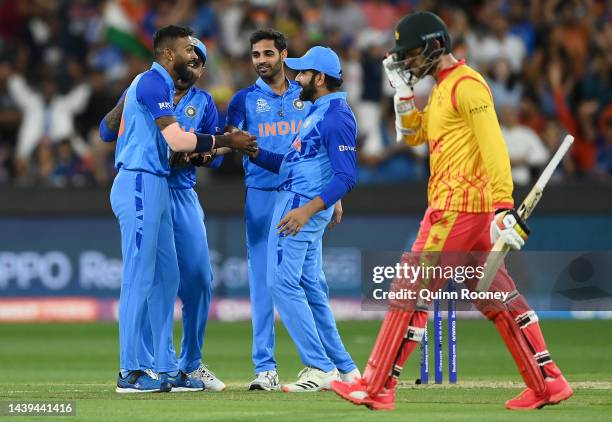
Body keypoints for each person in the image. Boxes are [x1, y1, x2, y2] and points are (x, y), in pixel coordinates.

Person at [331, 12, 573, 410]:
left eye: (411, 55)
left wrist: (503, 205)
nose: (407, 64)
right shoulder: (443, 88)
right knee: (496, 299)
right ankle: (547, 381)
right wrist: (404, 96)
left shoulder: (468, 86)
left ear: (434, 46)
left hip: (456, 209)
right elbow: (415, 136)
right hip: (466, 213)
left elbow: (494, 145)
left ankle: (376, 386)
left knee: (410, 289)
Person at [101, 24, 256, 393]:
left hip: (161, 184)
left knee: (169, 277)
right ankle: (132, 371)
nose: (196, 60)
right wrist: (228, 140)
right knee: (140, 275)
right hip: (141, 179)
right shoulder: (151, 83)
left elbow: (197, 152)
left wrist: (213, 149)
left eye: (198, 56)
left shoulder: (183, 96)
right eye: (190, 51)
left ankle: (169, 367)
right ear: (170, 55)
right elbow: (173, 138)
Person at [225, 30, 358, 391]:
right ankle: (344, 368)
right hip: (283, 194)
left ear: (318, 78)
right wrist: (248, 150)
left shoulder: (331, 115)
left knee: (281, 282)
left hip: (300, 203)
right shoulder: (318, 110)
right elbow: (293, 162)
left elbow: (345, 174)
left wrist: (319, 204)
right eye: (256, 54)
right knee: (310, 285)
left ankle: (319, 368)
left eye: (302, 72)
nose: (296, 77)